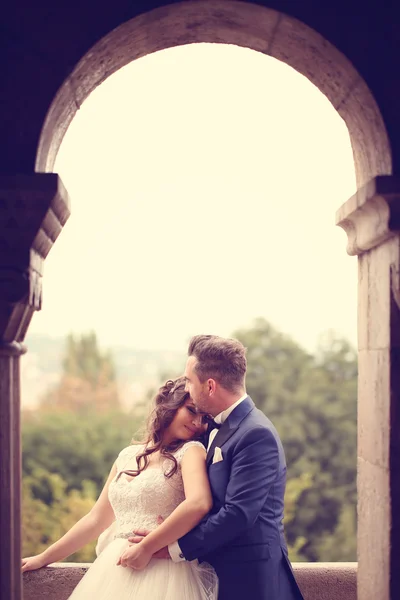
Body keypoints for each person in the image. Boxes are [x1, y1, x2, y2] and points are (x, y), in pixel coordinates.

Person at [130, 335, 305, 600]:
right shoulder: (209, 428)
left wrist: (172, 547)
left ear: (210, 386)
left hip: (251, 582)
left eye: (189, 381)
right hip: (214, 575)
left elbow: (237, 514)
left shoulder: (256, 434)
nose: (186, 388)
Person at [21, 377, 219, 600]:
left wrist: (147, 547)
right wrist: (44, 557)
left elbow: (199, 503)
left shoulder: (192, 451)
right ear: (170, 405)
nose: (198, 422)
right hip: (113, 569)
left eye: (204, 418)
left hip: (162, 571)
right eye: (192, 410)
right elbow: (96, 519)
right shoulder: (127, 456)